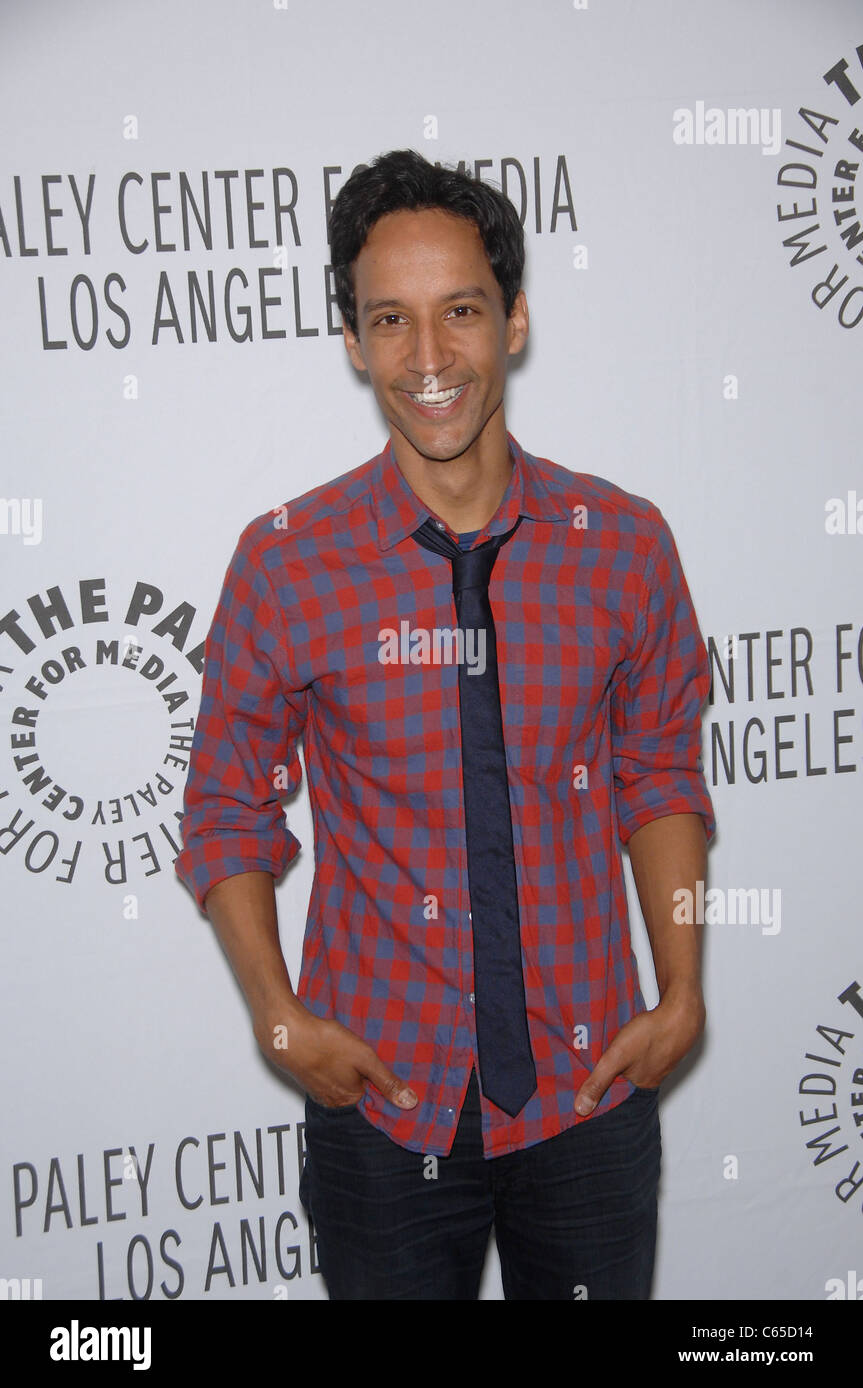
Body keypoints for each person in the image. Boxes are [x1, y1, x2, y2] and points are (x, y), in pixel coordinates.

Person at [174, 148, 716, 1301]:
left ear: (513, 319)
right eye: (390, 320)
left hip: (587, 1091)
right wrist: (281, 1021)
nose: (428, 361)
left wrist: (679, 991)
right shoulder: (285, 564)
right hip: (381, 1103)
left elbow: (659, 774)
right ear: (353, 338)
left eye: (459, 312)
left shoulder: (621, 543)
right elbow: (224, 810)